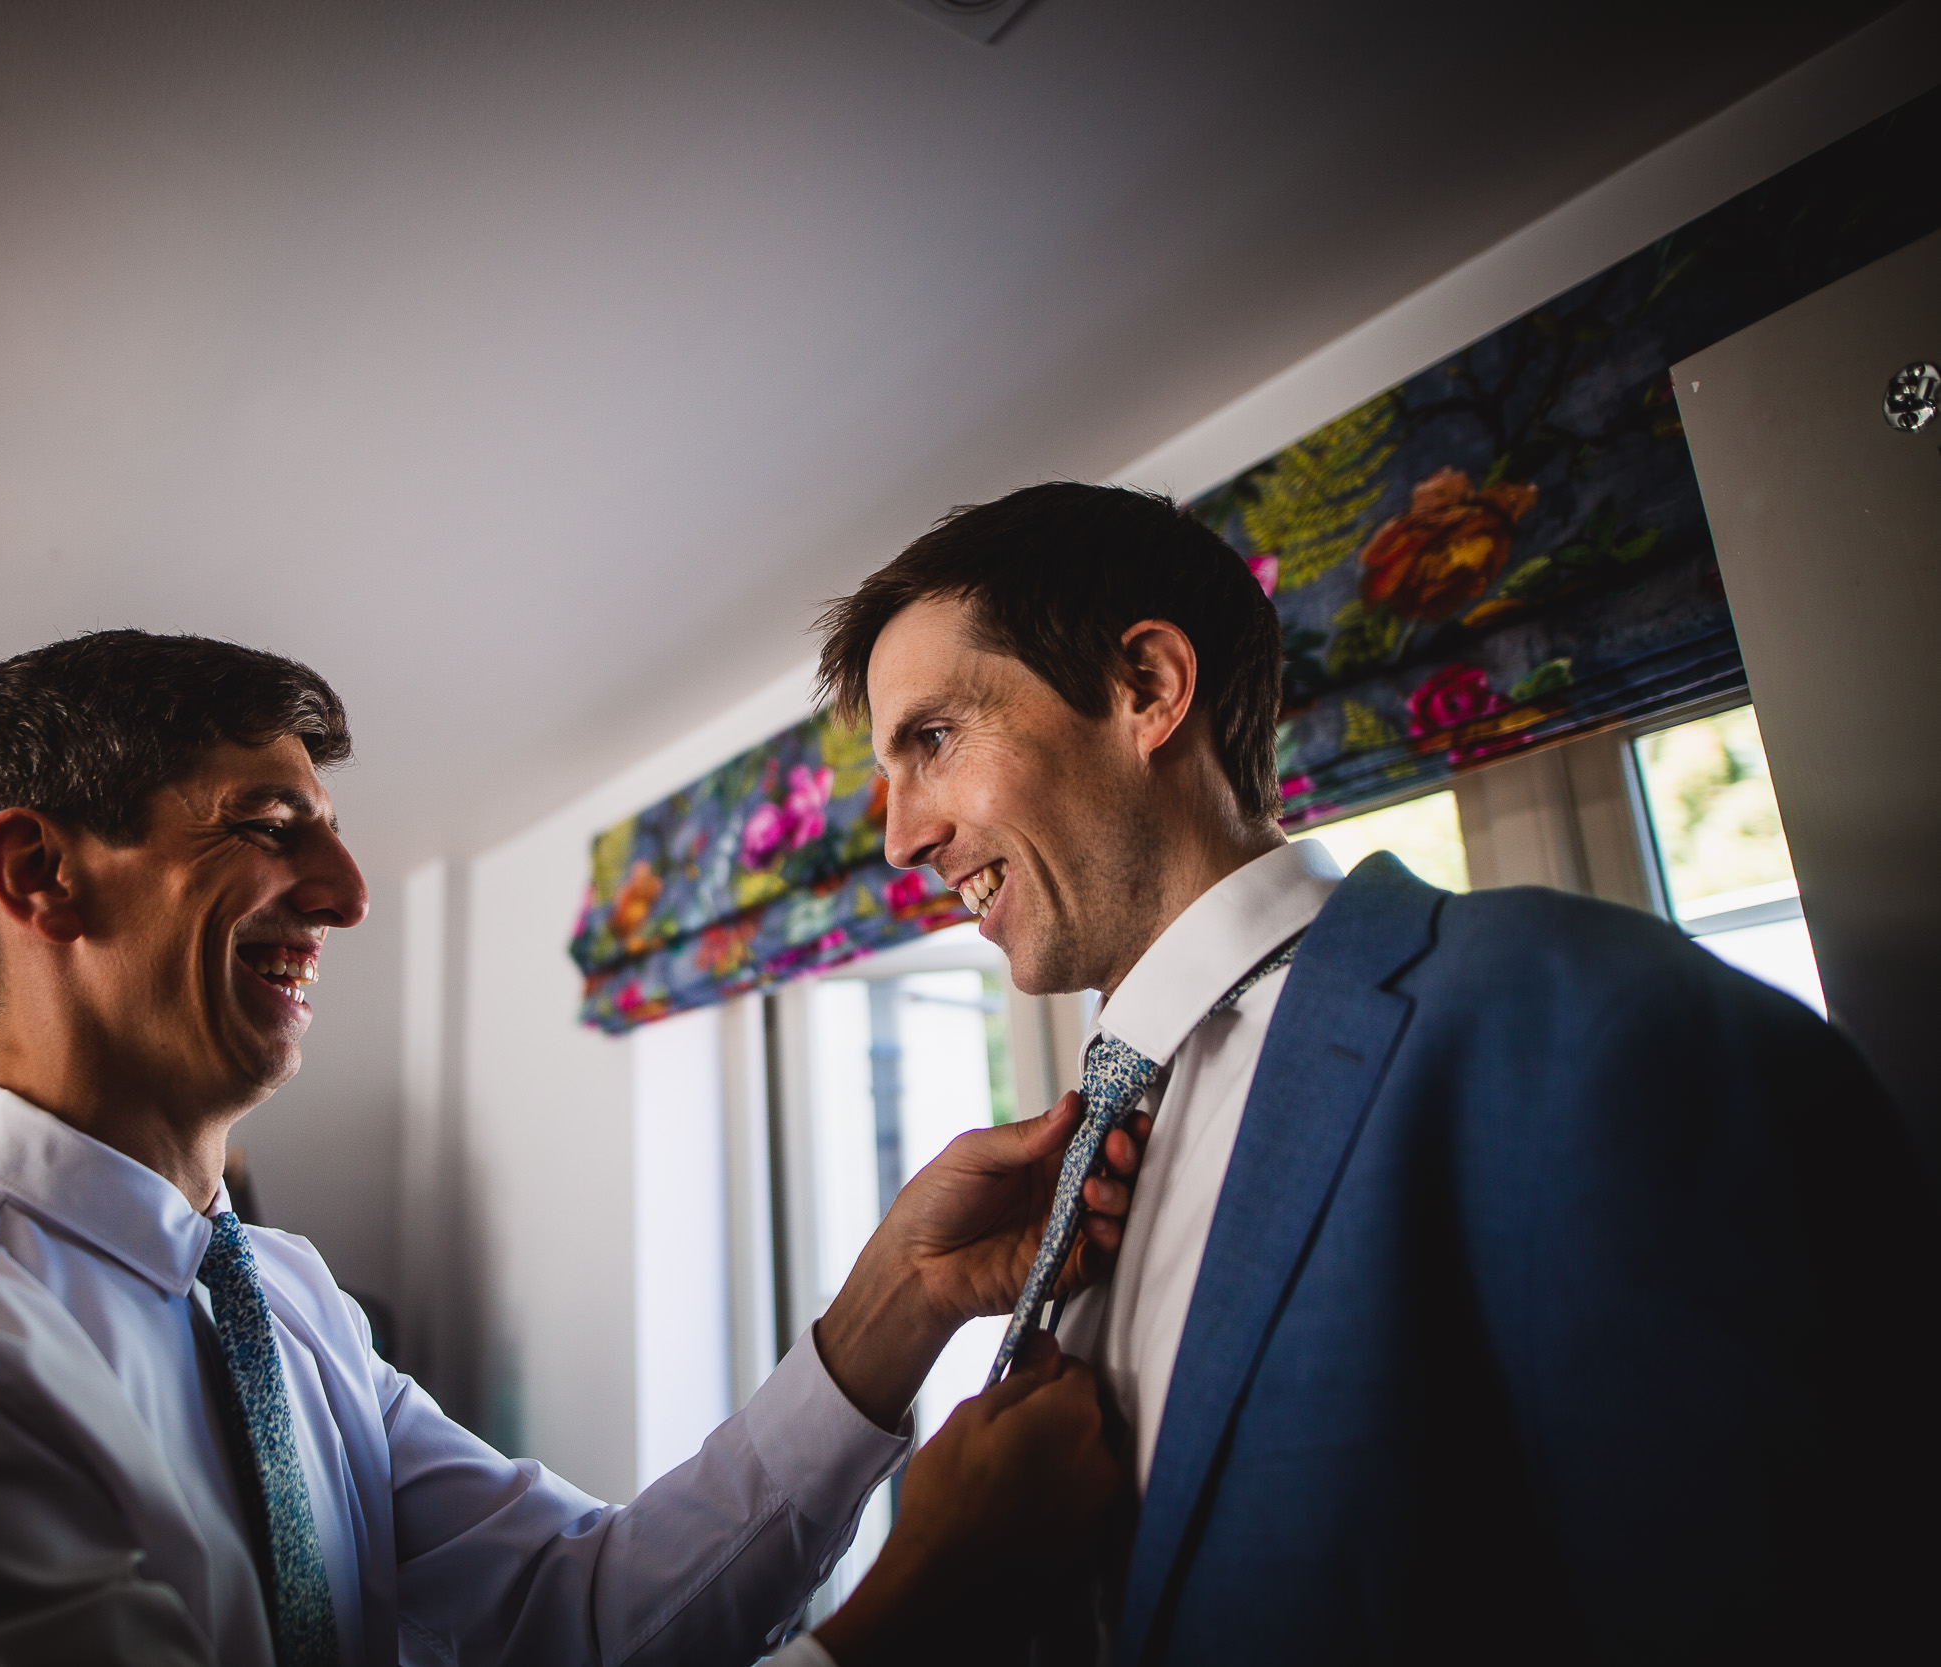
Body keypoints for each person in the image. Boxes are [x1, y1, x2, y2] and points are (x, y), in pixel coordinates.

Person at [0, 630, 1133, 1667]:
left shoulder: (286, 1303)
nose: (346, 894)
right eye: (271, 824)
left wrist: (893, 1309)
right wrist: (922, 1599)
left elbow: (581, 1611)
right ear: (41, 873)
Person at [814, 482, 1940, 1664]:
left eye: (932, 739)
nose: (900, 838)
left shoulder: (1584, 1024)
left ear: (1144, 689)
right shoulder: (1068, 1168)